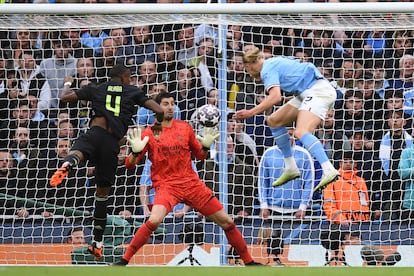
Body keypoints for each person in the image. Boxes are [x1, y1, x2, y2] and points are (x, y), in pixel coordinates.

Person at [115, 92, 260, 266]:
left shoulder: (184, 128)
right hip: (166, 186)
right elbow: (130, 165)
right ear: (155, 108)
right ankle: (124, 261)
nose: (170, 107)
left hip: (191, 184)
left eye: (172, 103)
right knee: (153, 220)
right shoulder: (149, 132)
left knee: (227, 221)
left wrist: (205, 146)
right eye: (166, 103)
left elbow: (200, 156)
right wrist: (135, 152)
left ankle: (250, 262)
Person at [48, 64, 164, 260]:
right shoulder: (133, 91)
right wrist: (158, 127)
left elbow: (64, 97)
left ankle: (69, 164)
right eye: (129, 77)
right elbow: (159, 109)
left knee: (78, 151)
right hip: (112, 145)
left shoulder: (96, 88)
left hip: (95, 133)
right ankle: (97, 243)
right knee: (102, 195)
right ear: (125, 77)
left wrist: (68, 82)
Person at [234, 48, 338, 192]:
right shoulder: (273, 62)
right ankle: (290, 167)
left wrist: (251, 112)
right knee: (273, 120)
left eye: (247, 69)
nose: (249, 73)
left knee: (301, 131)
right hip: (306, 92)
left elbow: (276, 97)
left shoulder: (266, 69)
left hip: (317, 91)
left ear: (250, 65)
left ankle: (328, 168)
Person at [323, 151, 381, 227]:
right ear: (340, 163)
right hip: (342, 224)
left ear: (355, 164)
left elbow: (366, 202)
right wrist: (341, 219)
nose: (348, 164)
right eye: (345, 161)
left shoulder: (361, 181)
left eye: (351, 161)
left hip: (362, 223)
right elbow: (328, 206)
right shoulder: (332, 181)